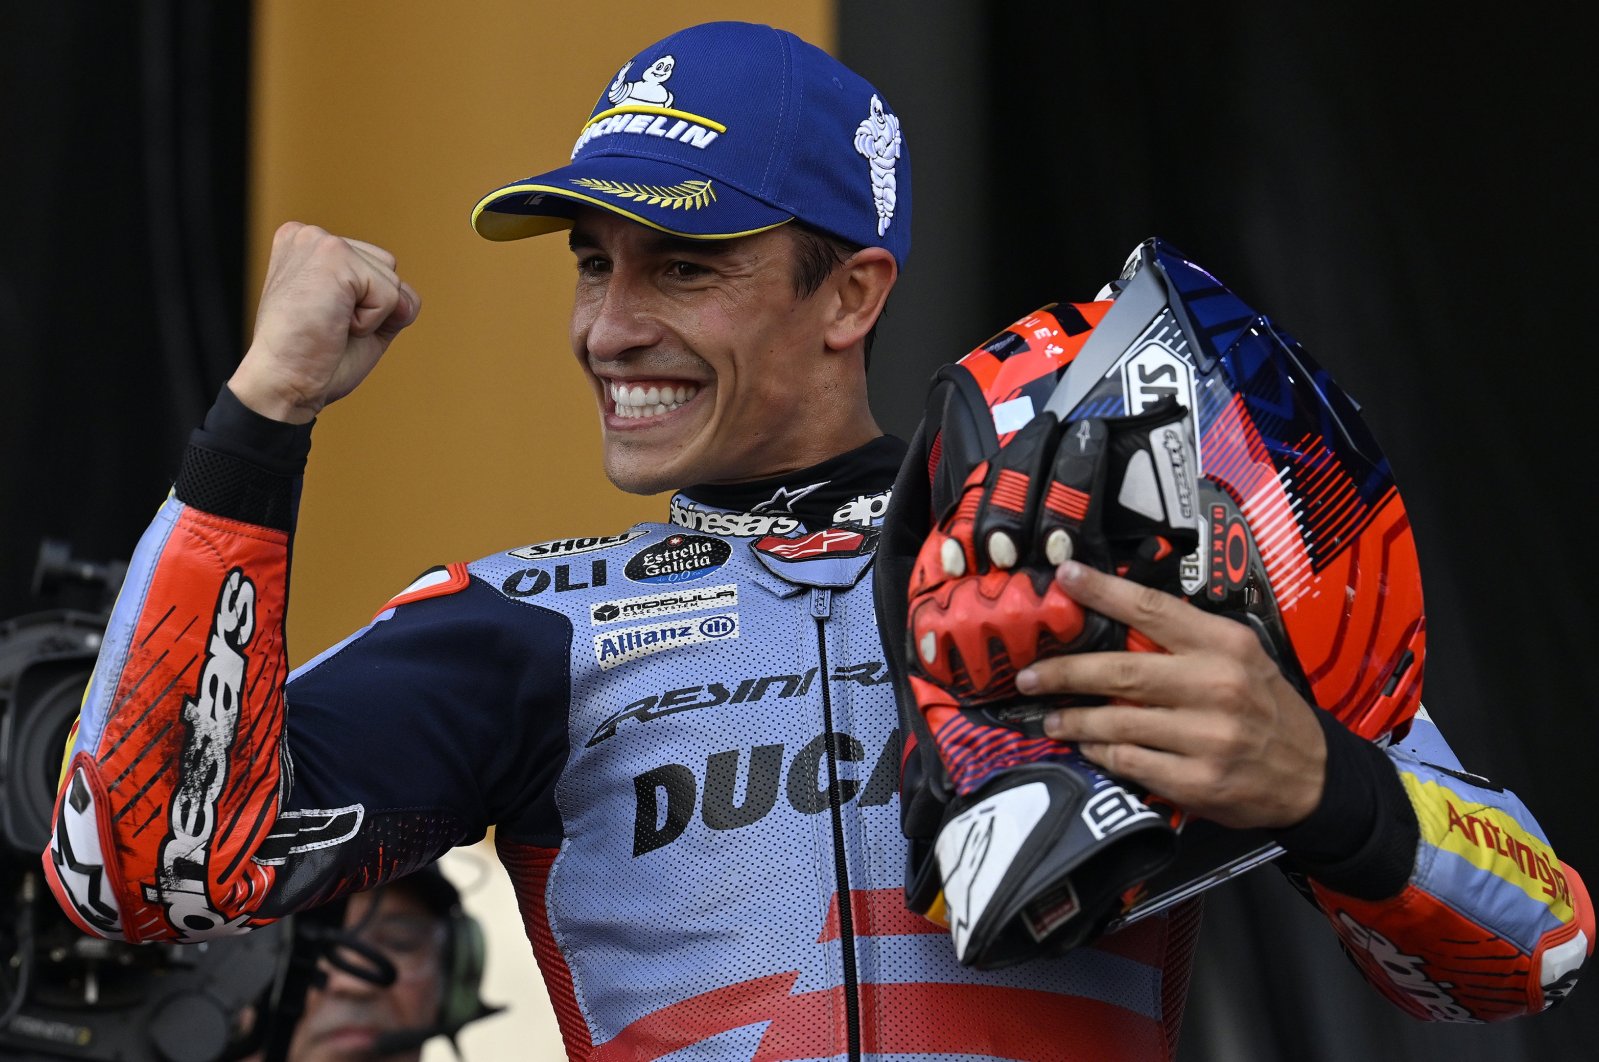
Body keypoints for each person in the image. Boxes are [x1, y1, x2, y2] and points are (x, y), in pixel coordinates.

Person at [40, 19, 1589, 1061]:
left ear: (849, 291)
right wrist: (260, 418)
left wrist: (1323, 786)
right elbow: (139, 871)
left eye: (684, 264)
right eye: (592, 262)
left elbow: (1540, 944)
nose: (609, 326)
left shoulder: (1115, 559)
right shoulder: (526, 625)